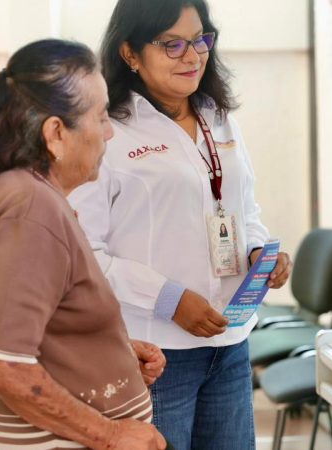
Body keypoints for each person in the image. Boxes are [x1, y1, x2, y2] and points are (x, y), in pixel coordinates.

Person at [68, 1, 294, 448]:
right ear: (130, 53)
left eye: (199, 40)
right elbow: (83, 254)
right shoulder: (109, 130)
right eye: (172, 45)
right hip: (155, 353)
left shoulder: (218, 116)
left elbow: (244, 208)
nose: (191, 56)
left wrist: (258, 252)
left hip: (230, 342)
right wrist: (169, 300)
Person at [0, 39, 168, 450]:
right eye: (100, 116)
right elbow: (2, 363)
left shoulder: (16, 190)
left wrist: (109, 352)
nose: (109, 132)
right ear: (56, 133)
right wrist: (109, 435)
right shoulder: (30, 210)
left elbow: (31, 323)